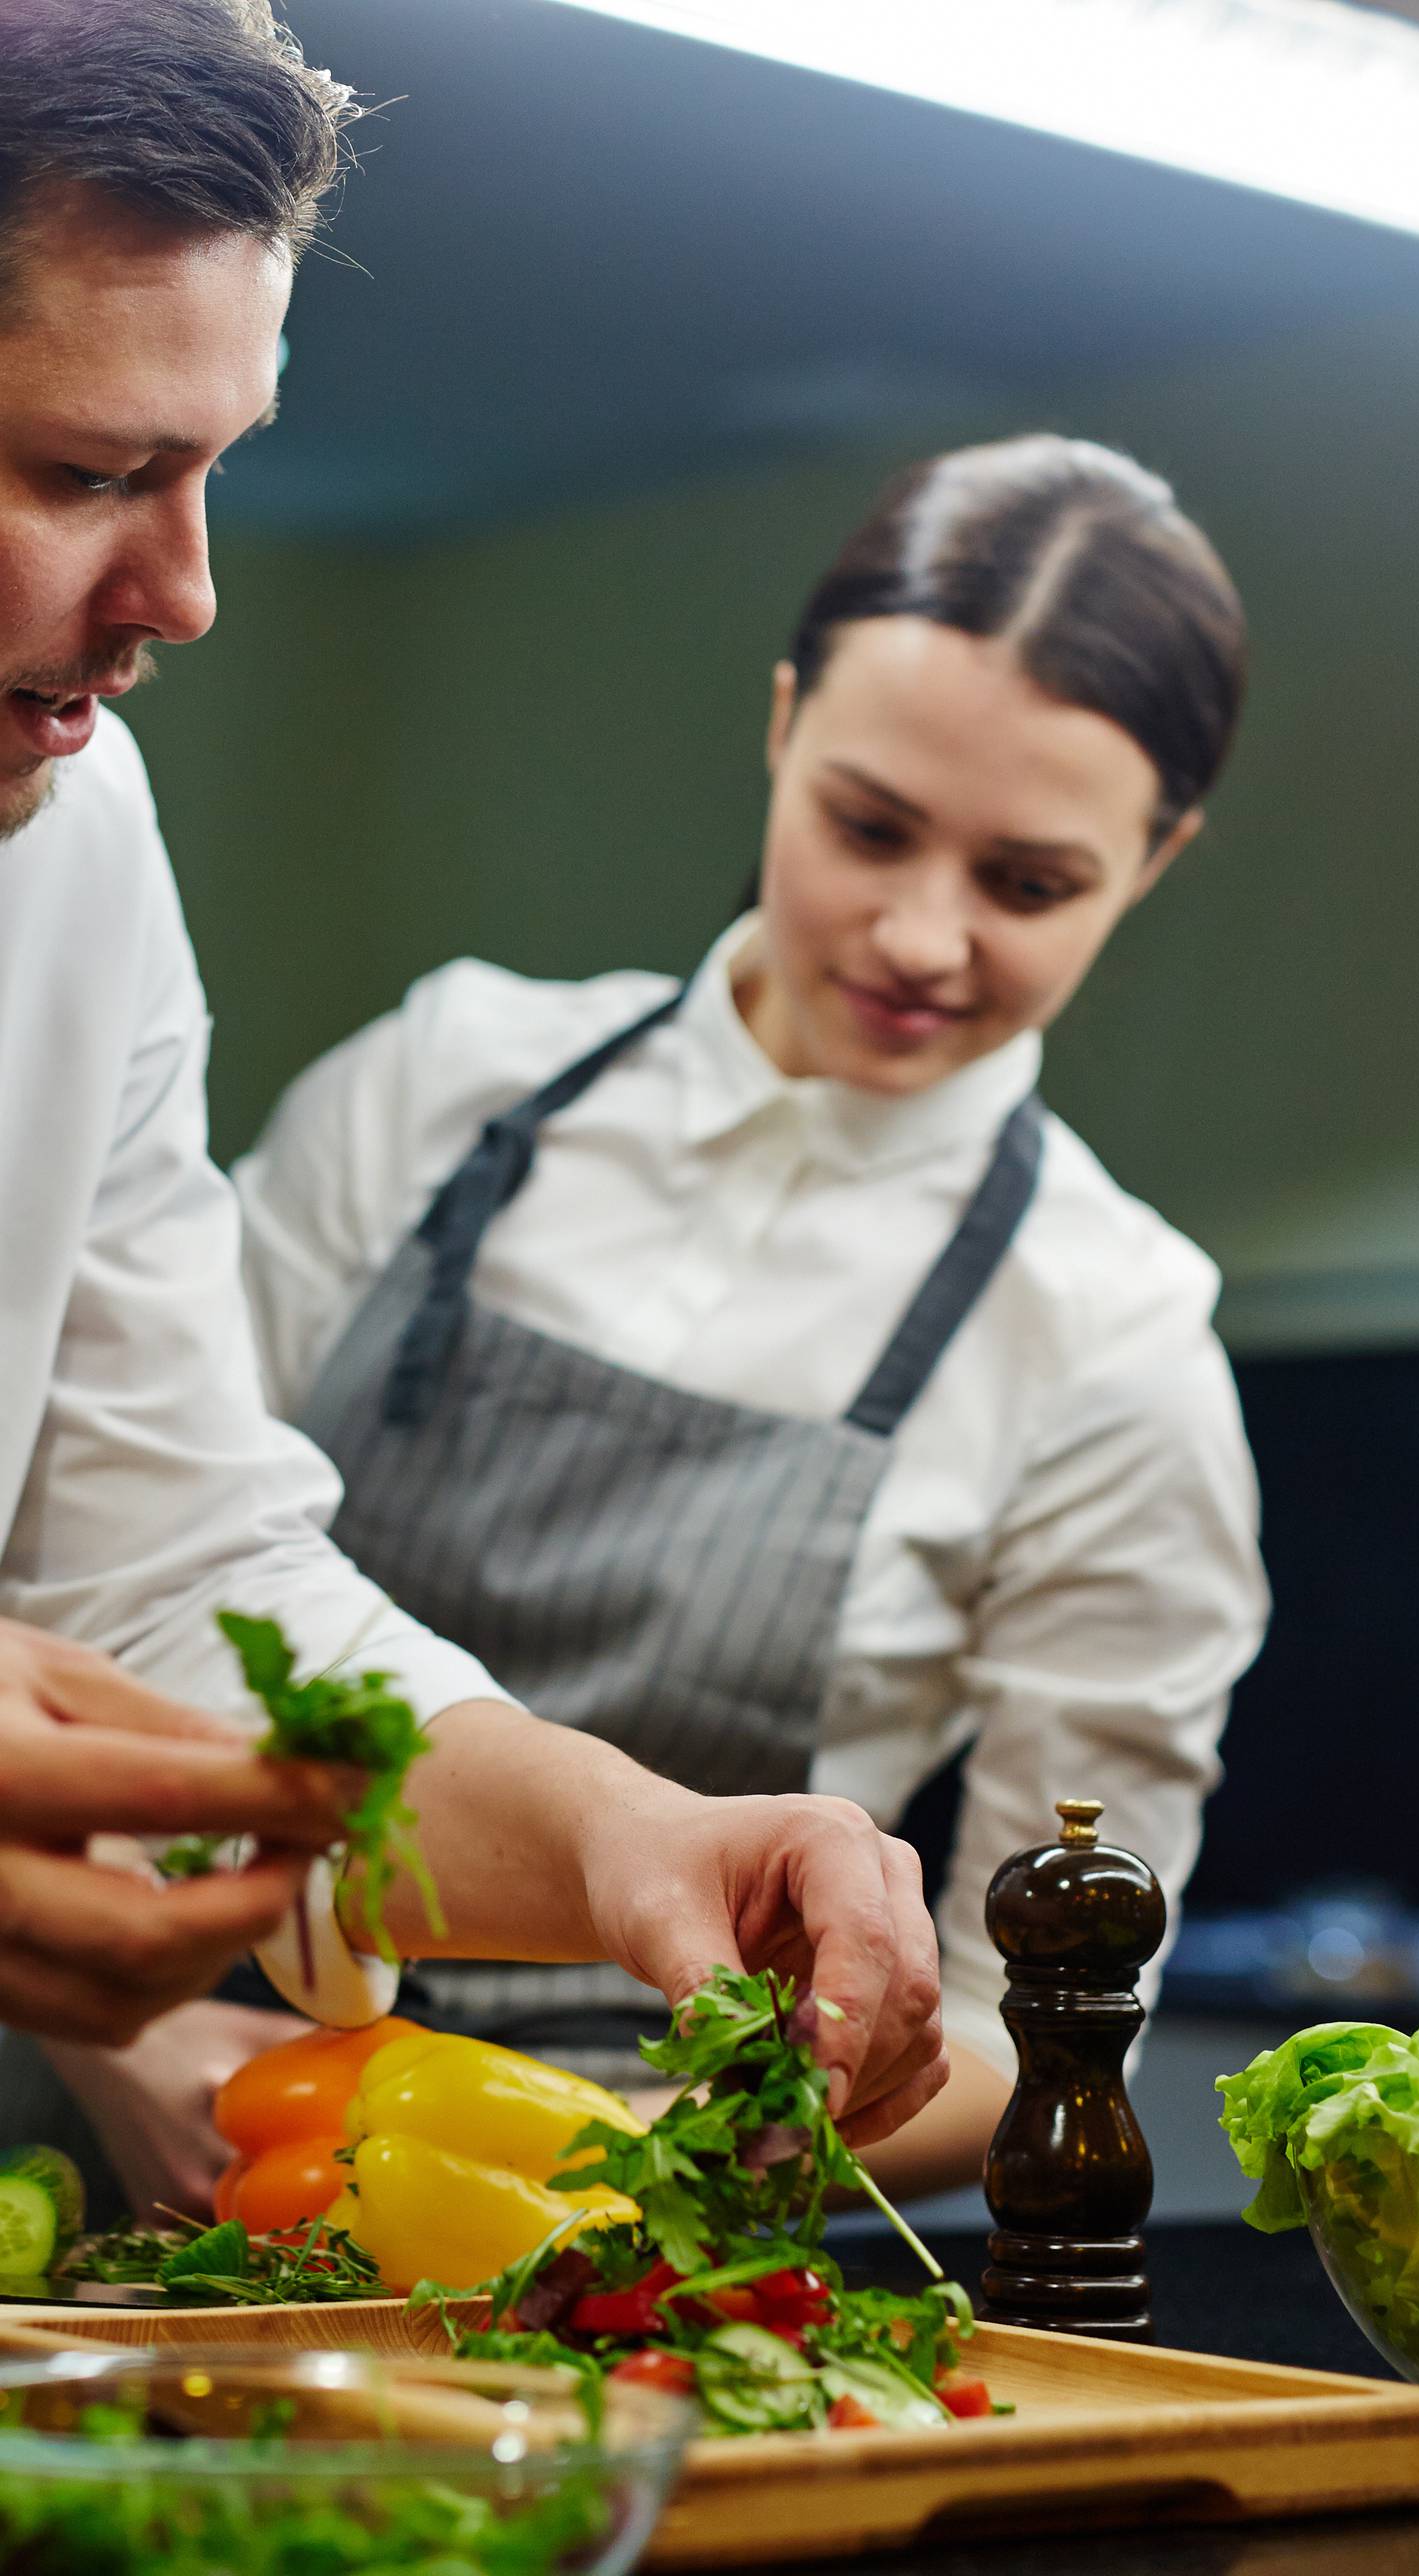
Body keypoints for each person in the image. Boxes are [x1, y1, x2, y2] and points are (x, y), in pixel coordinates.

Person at [0, 0, 943, 2225]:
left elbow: (170, 1568)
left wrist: (626, 1831)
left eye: (214, 468)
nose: (188, 594)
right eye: (82, 473)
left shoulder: (79, 838)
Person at [230, 433, 1271, 2198]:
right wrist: (133, 2045)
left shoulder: (1113, 1335)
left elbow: (1055, 2021)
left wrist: (605, 2173)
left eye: (1028, 884)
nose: (921, 937)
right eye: (868, 827)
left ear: (1157, 858)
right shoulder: (437, 1088)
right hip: (144, 2077)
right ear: (783, 723)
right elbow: (117, 1570)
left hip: (639, 2207)